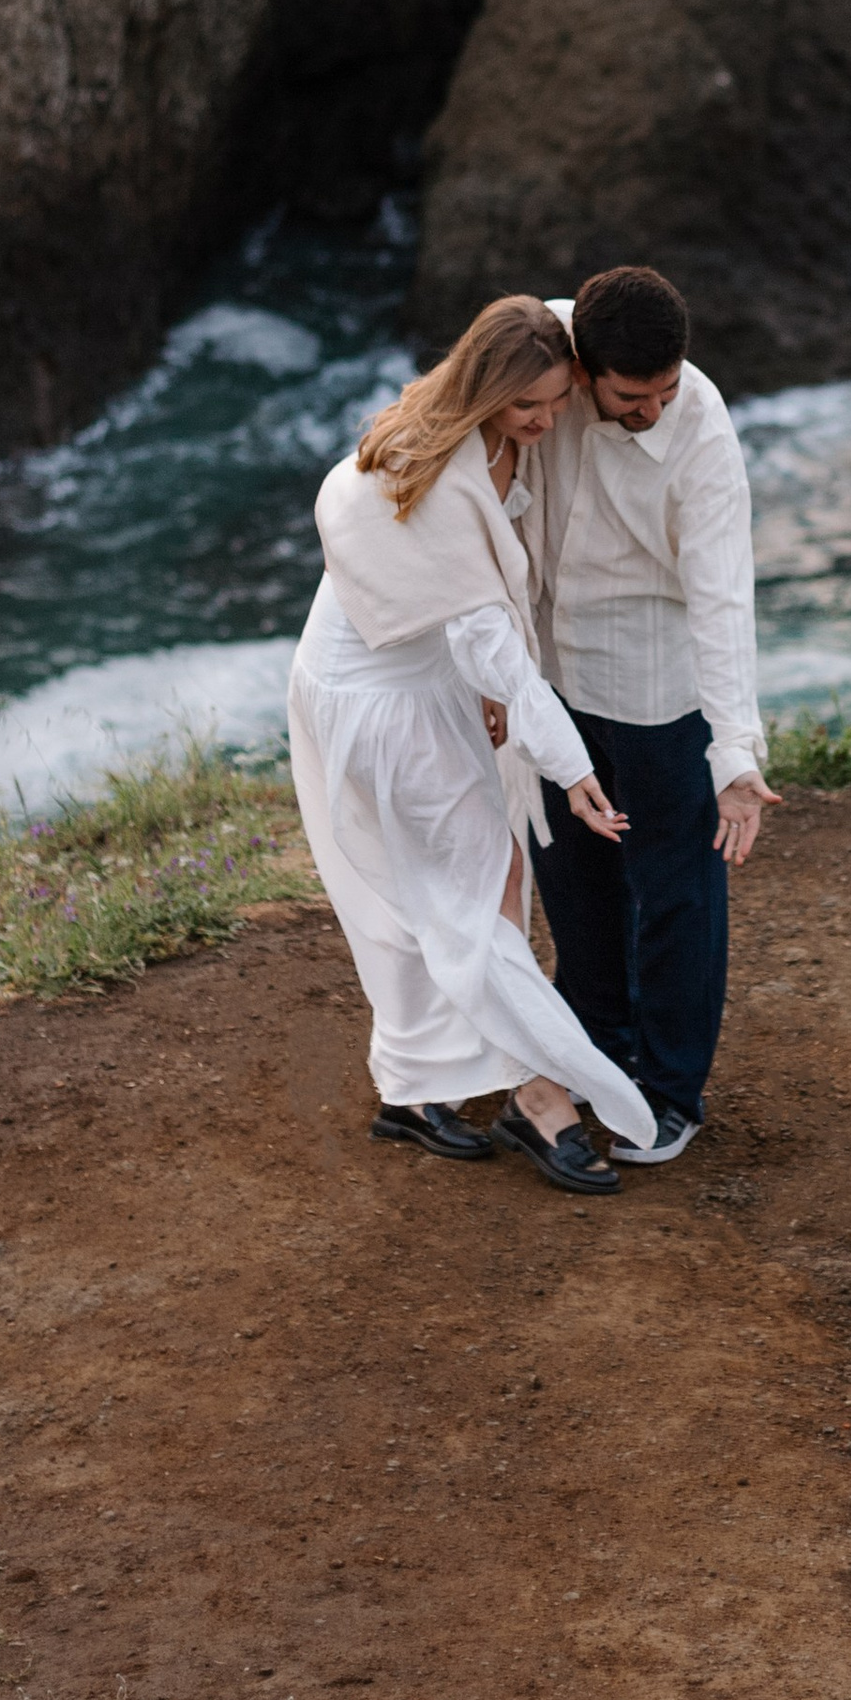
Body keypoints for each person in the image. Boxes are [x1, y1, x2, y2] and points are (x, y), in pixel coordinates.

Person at [287, 294, 654, 1199]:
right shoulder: (438, 470)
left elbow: (466, 615)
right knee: (474, 887)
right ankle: (541, 1096)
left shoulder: (487, 433)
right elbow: (488, 635)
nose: (547, 421)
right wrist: (572, 768)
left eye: (559, 401)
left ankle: (412, 1087)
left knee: (443, 889)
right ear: (485, 390)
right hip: (381, 697)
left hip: (414, 672)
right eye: (529, 405)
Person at [523, 264, 777, 1165]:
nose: (655, 410)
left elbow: (724, 595)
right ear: (582, 369)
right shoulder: (540, 354)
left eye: (666, 390)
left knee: (676, 893)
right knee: (574, 881)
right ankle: (596, 1053)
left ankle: (672, 1091)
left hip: (657, 690)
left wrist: (734, 753)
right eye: (634, 397)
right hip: (550, 675)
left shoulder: (700, 431)